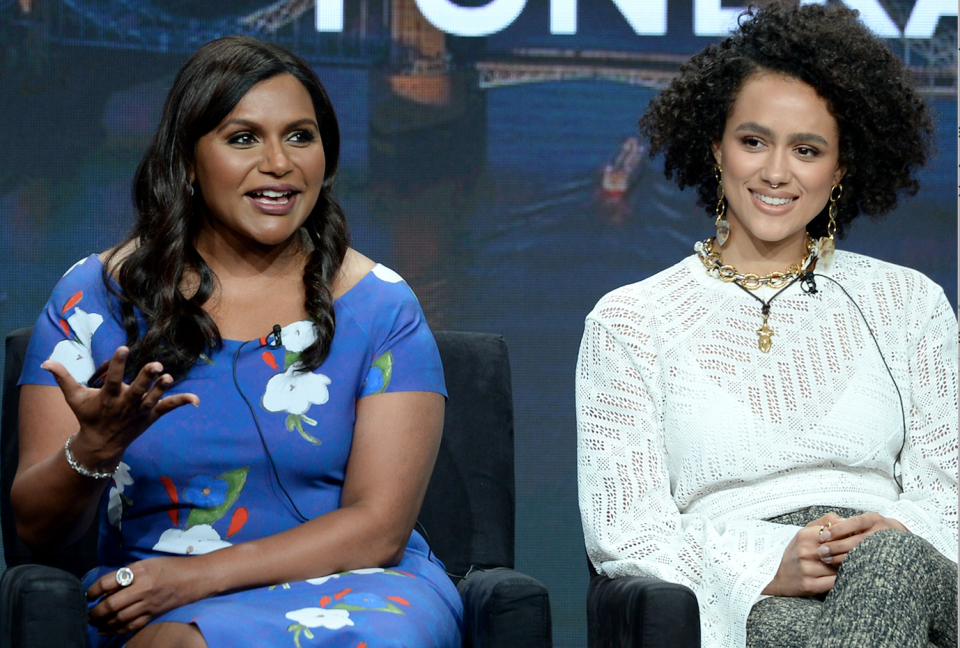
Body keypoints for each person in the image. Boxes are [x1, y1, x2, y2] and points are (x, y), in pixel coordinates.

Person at [11, 36, 463, 648]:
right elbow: (35, 530)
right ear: (188, 162)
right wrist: (94, 448)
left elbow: (377, 530)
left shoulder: (382, 306)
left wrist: (195, 578)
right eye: (243, 138)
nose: (279, 162)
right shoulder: (93, 301)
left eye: (300, 136)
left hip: (358, 586)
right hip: (153, 590)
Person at [575, 3, 957, 648]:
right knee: (787, 631)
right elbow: (627, 529)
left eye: (806, 150)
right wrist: (765, 565)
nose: (775, 172)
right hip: (747, 589)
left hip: (914, 568)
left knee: (887, 569)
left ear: (839, 169)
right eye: (753, 141)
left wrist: (890, 536)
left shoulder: (909, 303)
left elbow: (952, 494)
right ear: (714, 146)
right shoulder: (631, 321)